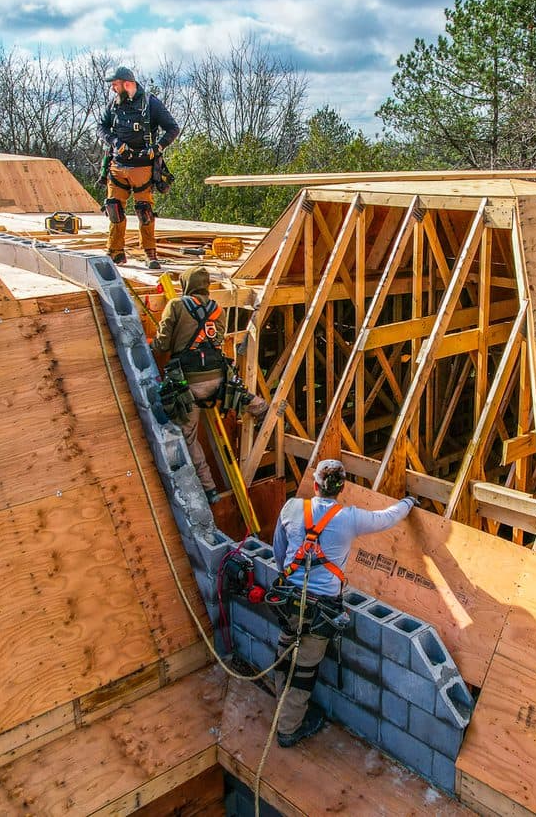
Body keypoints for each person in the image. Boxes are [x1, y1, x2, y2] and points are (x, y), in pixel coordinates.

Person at [269, 459, 417, 747]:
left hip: (287, 600)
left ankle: (283, 708)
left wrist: (290, 581)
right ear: (342, 488)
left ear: (315, 485)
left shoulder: (291, 507)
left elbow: (279, 550)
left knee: (285, 653)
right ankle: (287, 729)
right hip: (321, 609)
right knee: (303, 671)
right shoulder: (349, 518)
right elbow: (387, 517)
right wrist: (409, 502)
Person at [152, 266, 268, 502]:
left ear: (186, 284)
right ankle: (260, 407)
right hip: (218, 380)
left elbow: (162, 345)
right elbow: (217, 340)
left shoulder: (175, 306)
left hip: (189, 384)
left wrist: (155, 342)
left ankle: (209, 489)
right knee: (236, 392)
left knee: (188, 436)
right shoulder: (218, 309)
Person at [98, 66, 180, 268]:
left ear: (127, 84)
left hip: (143, 166)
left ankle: (150, 253)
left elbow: (173, 128)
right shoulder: (114, 105)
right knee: (114, 209)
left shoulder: (150, 103)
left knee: (145, 211)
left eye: (115, 84)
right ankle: (115, 252)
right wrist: (115, 142)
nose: (113, 89)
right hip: (117, 165)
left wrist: (158, 146)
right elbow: (101, 127)